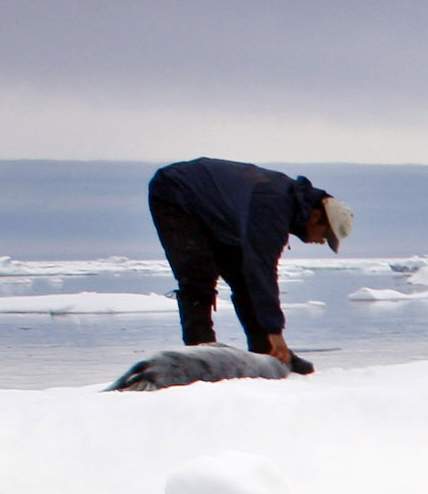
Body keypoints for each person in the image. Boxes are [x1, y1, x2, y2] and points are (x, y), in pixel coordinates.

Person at [145, 158, 350, 372]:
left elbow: (253, 275)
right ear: (315, 215)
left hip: (217, 212)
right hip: (175, 192)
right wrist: (275, 331)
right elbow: (261, 271)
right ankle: (200, 352)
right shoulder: (272, 209)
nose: (321, 241)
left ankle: (267, 351)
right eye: (325, 235)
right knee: (198, 276)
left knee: (242, 279)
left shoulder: (286, 205)